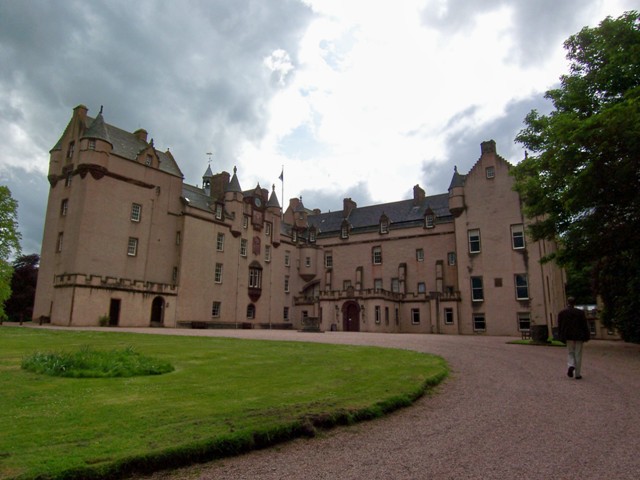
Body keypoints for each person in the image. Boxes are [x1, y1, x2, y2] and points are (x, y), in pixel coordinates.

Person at [557, 297, 591, 379]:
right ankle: (577, 374)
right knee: (578, 354)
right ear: (574, 303)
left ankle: (571, 365)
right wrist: (587, 336)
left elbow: (560, 326)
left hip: (568, 336)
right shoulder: (580, 313)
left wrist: (560, 336)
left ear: (567, 302)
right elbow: (584, 325)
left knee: (570, 352)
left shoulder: (562, 313)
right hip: (579, 336)